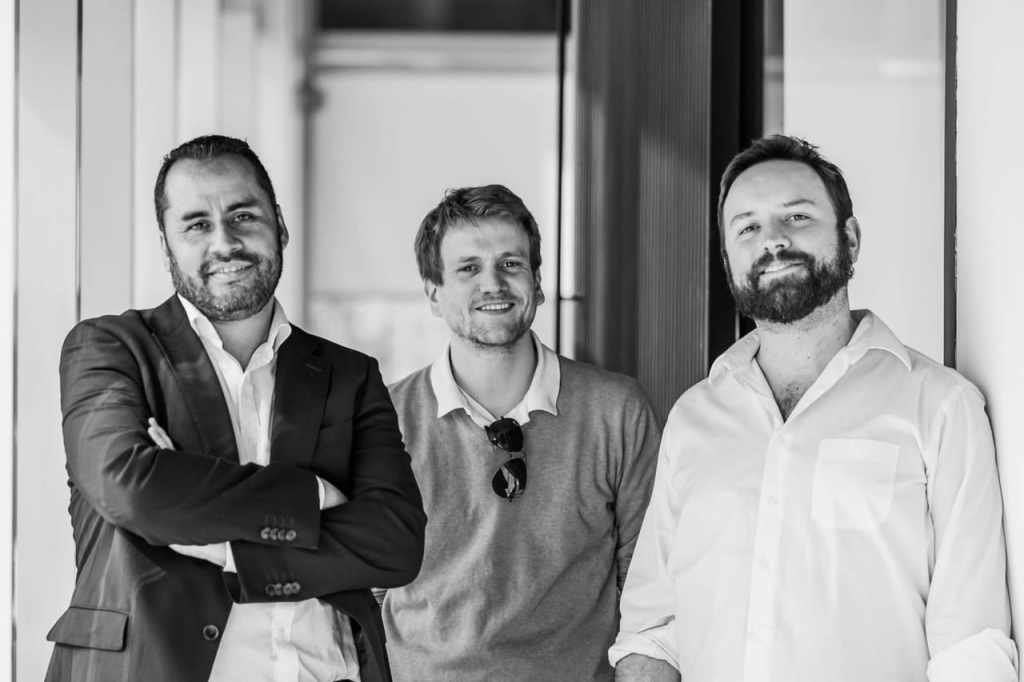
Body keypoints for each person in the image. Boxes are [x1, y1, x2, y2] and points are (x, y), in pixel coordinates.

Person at [610, 134, 1017, 682]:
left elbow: (970, 643)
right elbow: (654, 629)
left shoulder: (941, 407)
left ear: (850, 237)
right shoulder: (693, 417)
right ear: (728, 260)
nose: (773, 240)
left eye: (797, 217)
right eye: (747, 227)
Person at [46, 134, 425, 682]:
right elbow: (131, 487)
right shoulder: (110, 349)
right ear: (167, 245)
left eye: (243, 216)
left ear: (280, 226)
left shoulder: (349, 374)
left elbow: (395, 543)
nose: (224, 242)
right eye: (197, 224)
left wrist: (224, 544)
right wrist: (312, 497)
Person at [382, 185, 661, 681]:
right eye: (468, 268)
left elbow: (650, 587)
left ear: (537, 282)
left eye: (510, 264)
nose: (492, 283)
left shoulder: (617, 410)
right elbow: (366, 591)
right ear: (434, 294)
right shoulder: (385, 419)